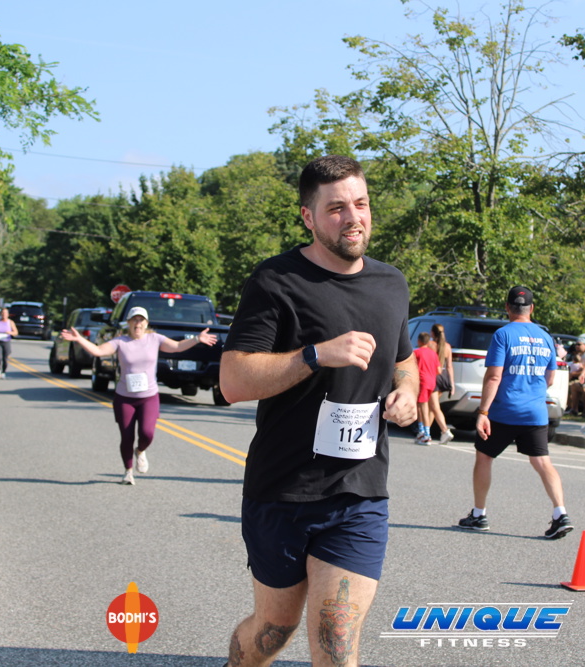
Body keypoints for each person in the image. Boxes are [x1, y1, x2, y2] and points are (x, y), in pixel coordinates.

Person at [219, 155, 418, 667]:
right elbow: (233, 381)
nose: (353, 218)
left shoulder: (391, 283)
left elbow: (404, 362)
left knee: (336, 638)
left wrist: (407, 391)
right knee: (273, 631)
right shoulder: (276, 280)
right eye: (336, 209)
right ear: (308, 216)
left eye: (361, 204)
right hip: (282, 490)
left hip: (358, 492)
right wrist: (314, 355)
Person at [457, 285, 573, 540]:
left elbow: (494, 376)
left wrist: (483, 411)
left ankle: (479, 515)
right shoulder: (545, 337)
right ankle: (560, 513)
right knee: (542, 461)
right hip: (535, 412)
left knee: (484, 457)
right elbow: (550, 378)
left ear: (507, 307)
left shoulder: (503, 334)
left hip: (504, 410)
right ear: (532, 309)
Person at [62, 306, 216, 485]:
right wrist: (79, 339)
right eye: (134, 320)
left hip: (148, 397)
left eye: (141, 320)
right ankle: (128, 472)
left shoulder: (155, 339)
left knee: (147, 433)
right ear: (128, 323)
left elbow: (177, 347)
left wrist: (197, 339)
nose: (138, 323)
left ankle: (140, 451)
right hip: (124, 398)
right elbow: (98, 351)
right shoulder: (120, 342)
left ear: (146, 323)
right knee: (127, 437)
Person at [428, 323, 454, 444]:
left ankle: (445, 430)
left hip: (433, 376)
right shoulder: (447, 347)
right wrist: (451, 384)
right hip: (443, 378)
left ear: (433, 333)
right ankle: (426, 433)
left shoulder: (431, 345)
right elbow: (449, 366)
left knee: (434, 407)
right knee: (432, 407)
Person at [413, 332, 440, 444]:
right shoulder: (433, 354)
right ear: (428, 342)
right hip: (432, 381)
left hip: (421, 381)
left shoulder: (416, 352)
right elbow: (439, 370)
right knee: (421, 406)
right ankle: (421, 431)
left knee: (423, 407)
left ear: (419, 341)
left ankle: (427, 435)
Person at [0, 307, 19, 379]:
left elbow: (16, 332)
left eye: (5, 313)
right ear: (1, 314)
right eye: (3, 313)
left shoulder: (10, 322)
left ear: (8, 314)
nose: (4, 314)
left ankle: (3, 372)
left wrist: (10, 332)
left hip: (6, 342)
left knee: (5, 358)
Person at [566, 341, 585, 416]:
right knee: (570, 386)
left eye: (579, 344)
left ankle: (584, 411)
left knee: (574, 386)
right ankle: (573, 409)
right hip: (577, 378)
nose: (577, 346)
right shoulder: (578, 355)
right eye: (576, 345)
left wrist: (573, 374)